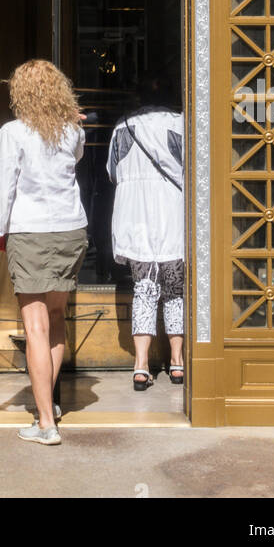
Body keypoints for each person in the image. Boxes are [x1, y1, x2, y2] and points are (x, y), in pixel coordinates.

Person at [0, 60, 88, 446]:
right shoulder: (71, 130)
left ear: (20, 92)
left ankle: (45, 424)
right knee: (56, 319)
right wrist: (73, 122)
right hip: (71, 230)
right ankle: (48, 406)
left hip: (32, 232)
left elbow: (2, 188)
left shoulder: (13, 133)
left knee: (35, 327)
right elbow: (76, 159)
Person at [107, 82, 184, 391]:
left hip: (135, 213)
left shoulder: (123, 126)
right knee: (175, 287)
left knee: (144, 286)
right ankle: (176, 362)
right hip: (171, 211)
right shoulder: (179, 124)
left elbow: (112, 171)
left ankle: (141, 365)